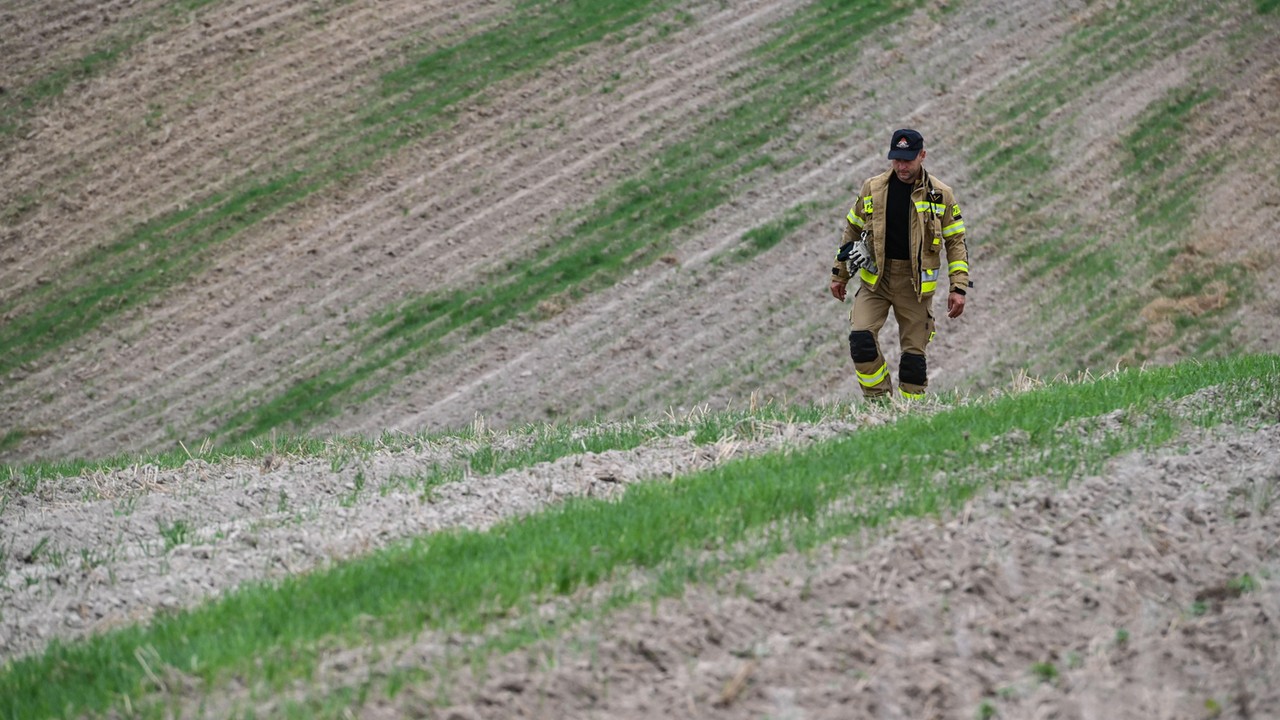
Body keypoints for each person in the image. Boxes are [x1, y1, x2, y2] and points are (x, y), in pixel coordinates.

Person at [829, 128, 970, 401]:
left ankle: (912, 414)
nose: (901, 166)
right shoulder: (872, 188)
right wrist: (840, 274)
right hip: (876, 280)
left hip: (914, 286)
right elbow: (852, 231)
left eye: (908, 159)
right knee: (861, 341)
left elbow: (956, 243)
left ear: (922, 156)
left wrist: (959, 288)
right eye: (896, 159)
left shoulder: (940, 195)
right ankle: (880, 403)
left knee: (913, 364)